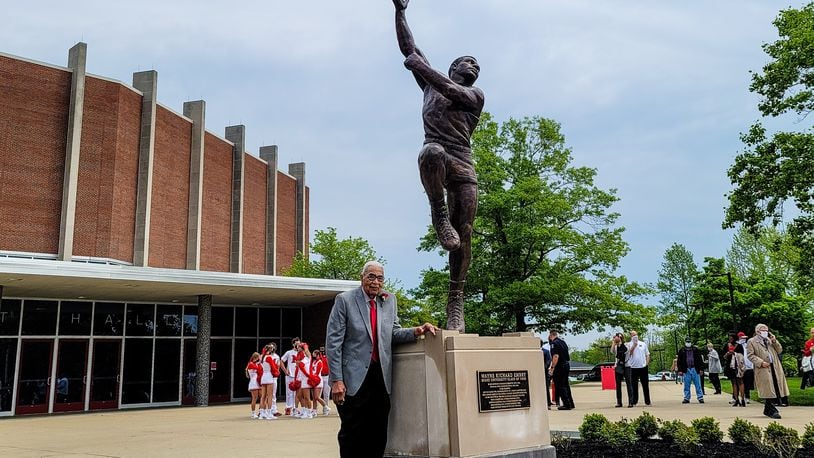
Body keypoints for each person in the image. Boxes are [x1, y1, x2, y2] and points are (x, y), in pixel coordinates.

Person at [393, 0, 485, 332]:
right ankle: (437, 209)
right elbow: (409, 47)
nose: (474, 65)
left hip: (464, 165)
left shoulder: (474, 96)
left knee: (464, 237)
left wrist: (418, 64)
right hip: (439, 156)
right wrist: (400, 12)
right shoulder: (429, 86)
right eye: (467, 61)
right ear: (452, 66)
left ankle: (455, 300)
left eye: (477, 64)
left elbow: (443, 84)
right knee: (429, 152)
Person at [326, 261, 436, 458]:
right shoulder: (344, 300)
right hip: (352, 379)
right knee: (352, 434)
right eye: (371, 277)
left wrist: (416, 331)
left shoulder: (389, 300)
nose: (375, 282)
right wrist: (337, 380)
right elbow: (333, 343)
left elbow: (392, 333)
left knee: (377, 432)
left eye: (380, 278)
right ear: (362, 278)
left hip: (380, 378)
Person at [747, 323, 790, 419]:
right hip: (763, 368)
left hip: (774, 367)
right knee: (768, 388)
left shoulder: (769, 340)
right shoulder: (752, 341)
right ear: (757, 331)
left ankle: (768, 409)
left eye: (766, 330)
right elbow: (750, 355)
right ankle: (772, 410)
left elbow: (779, 350)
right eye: (763, 330)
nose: (765, 332)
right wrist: (760, 362)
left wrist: (774, 341)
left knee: (775, 386)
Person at [548, 330, 575, 410]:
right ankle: (570, 403)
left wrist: (552, 367)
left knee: (560, 385)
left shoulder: (554, 343)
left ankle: (566, 404)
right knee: (566, 385)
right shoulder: (563, 342)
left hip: (559, 366)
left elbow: (556, 356)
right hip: (566, 364)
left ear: (550, 335)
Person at [626, 330, 651, 407]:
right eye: (633, 335)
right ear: (630, 336)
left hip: (643, 367)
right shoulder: (628, 344)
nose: (634, 336)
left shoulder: (643, 344)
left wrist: (646, 364)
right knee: (634, 385)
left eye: (635, 335)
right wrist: (634, 345)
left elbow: (647, 354)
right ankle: (634, 401)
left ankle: (647, 401)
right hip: (633, 367)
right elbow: (628, 354)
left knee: (645, 385)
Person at [677, 337, 704, 404]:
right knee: (686, 384)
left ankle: (700, 397)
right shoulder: (682, 350)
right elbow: (679, 361)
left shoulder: (695, 349)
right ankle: (686, 398)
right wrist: (680, 370)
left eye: (689, 342)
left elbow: (700, 360)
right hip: (686, 369)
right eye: (687, 342)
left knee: (698, 384)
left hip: (695, 368)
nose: (688, 343)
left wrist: (701, 369)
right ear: (685, 342)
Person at [259, 343, 281, 419]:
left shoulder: (261, 356)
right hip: (269, 376)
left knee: (263, 396)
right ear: (269, 350)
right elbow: (273, 368)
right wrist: (277, 373)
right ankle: (269, 413)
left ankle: (262, 413)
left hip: (263, 376)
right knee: (270, 396)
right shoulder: (269, 357)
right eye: (271, 349)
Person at [610, 332, 631, 408]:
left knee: (629, 383)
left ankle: (630, 402)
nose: (616, 338)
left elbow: (626, 351)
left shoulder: (626, 345)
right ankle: (619, 402)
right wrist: (614, 343)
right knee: (618, 384)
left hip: (626, 366)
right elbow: (612, 351)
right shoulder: (615, 346)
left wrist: (620, 343)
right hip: (618, 366)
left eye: (617, 337)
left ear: (621, 338)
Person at [280, 337, 300, 416]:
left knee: (297, 393)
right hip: (290, 374)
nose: (298, 345)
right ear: (293, 344)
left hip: (298, 375)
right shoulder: (289, 352)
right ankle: (288, 408)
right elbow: (281, 361)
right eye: (296, 344)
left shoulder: (301, 353)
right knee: (289, 393)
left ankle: (295, 408)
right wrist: (285, 371)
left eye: (299, 343)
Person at [738, 332, 755, 404]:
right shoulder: (737, 346)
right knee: (739, 382)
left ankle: (747, 396)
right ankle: (737, 397)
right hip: (740, 367)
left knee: (747, 383)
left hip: (749, 366)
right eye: (742, 338)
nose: (744, 339)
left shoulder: (747, 345)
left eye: (745, 338)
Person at [310, 349, 329, 415]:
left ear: (317, 354)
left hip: (318, 379)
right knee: (314, 398)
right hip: (313, 379)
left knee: (317, 397)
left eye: (314, 354)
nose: (313, 355)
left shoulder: (320, 362)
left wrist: (313, 377)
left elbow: (317, 372)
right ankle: (314, 411)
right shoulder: (314, 361)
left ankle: (325, 406)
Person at [246, 352, 262, 418]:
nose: (259, 359)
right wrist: (260, 363)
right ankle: (253, 413)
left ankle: (261, 411)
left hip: (258, 382)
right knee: (254, 398)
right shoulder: (250, 364)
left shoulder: (256, 363)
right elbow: (258, 369)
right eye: (258, 357)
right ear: (255, 357)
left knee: (262, 397)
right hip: (253, 382)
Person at [730, 343, 747, 407]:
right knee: (734, 383)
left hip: (737, 368)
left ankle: (742, 399)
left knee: (740, 382)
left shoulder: (739, 354)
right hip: (732, 368)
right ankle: (736, 399)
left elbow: (741, 361)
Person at [319, 346, 332, 413]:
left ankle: (325, 408)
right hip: (320, 376)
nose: (322, 351)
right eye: (321, 350)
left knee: (326, 394)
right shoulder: (318, 358)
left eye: (323, 350)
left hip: (327, 376)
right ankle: (315, 409)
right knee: (318, 395)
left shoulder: (328, 357)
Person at [541, 340, 553, 409]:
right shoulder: (532, 352)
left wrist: (543, 368)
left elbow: (548, 361)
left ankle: (548, 404)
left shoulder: (546, 351)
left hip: (544, 373)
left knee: (545, 388)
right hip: (535, 374)